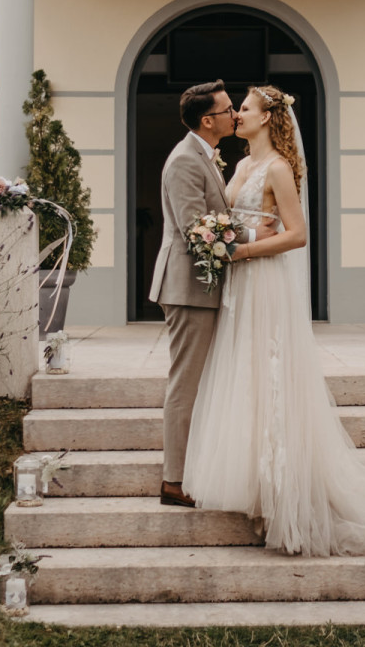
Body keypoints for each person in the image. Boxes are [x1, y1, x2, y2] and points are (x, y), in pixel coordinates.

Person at [182, 85, 365, 556]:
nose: (237, 115)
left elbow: (297, 236)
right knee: (247, 379)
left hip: (264, 281)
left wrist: (241, 251)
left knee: (271, 380)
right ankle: (256, 488)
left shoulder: (278, 169)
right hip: (240, 286)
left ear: (267, 118)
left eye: (244, 109)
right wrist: (225, 238)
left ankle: (282, 495)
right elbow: (233, 221)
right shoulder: (241, 166)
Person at [148, 79, 237, 509]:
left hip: (202, 286)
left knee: (197, 383)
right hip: (188, 287)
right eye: (228, 109)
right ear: (208, 121)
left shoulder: (204, 155)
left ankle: (191, 469)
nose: (234, 115)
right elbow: (196, 229)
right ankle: (174, 480)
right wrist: (254, 237)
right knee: (185, 384)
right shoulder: (185, 159)